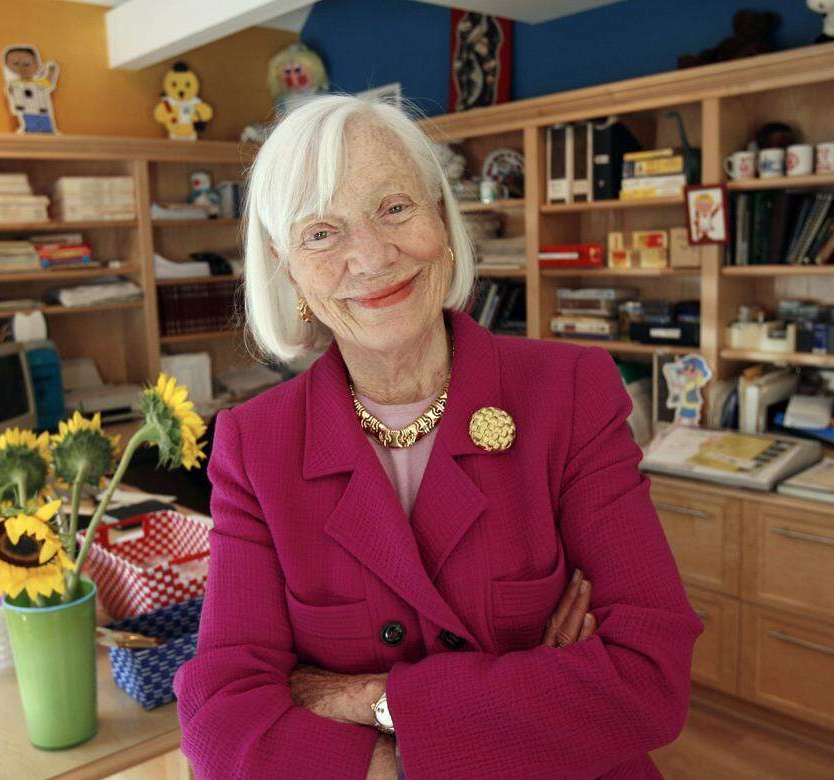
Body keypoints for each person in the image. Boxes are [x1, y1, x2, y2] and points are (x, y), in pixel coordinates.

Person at [171, 94, 704, 779]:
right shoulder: (255, 444)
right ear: (288, 267)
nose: (371, 256)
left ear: (442, 220)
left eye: (394, 209)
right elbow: (218, 726)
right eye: (322, 233)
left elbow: (648, 681)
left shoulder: (570, 393)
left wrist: (370, 699)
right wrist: (522, 700)